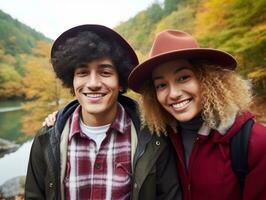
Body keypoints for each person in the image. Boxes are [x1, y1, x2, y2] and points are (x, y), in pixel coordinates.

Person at [25, 25, 181, 200]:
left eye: (105, 72)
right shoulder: (46, 138)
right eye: (83, 72)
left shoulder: (152, 136)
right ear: (72, 81)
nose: (93, 83)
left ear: (120, 81)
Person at [127, 29, 266, 199]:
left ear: (207, 79)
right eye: (161, 85)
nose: (173, 94)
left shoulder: (256, 142)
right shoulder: (162, 138)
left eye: (183, 78)